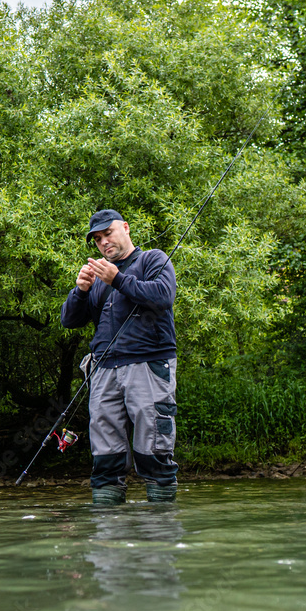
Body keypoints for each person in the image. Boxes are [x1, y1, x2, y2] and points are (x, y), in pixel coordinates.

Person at [60, 209, 179, 504]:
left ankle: (160, 532)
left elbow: (163, 296)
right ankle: (109, 538)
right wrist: (81, 290)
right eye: (97, 239)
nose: (103, 242)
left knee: (154, 448)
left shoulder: (153, 259)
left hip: (148, 363)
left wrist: (118, 280)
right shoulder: (99, 276)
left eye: (108, 233)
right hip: (104, 369)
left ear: (125, 228)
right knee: (105, 457)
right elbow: (69, 320)